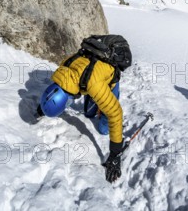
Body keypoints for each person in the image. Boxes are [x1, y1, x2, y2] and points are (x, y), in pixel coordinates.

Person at [37, 52, 123, 184]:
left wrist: (115, 154)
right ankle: (97, 101)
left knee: (104, 128)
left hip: (107, 79)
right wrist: (45, 107)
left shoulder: (95, 85)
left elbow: (116, 113)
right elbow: (57, 92)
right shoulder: (62, 71)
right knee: (89, 114)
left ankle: (104, 111)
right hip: (90, 75)